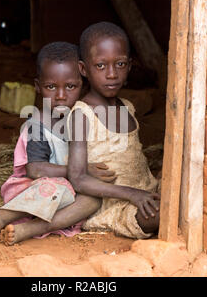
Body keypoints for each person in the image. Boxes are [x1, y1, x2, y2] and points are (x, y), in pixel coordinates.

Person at [0, 41, 115, 245]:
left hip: (67, 193)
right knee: (55, 188)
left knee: (93, 199)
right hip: (33, 191)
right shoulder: (38, 125)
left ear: (83, 86)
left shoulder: (82, 118)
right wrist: (82, 170)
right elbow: (36, 169)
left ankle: (33, 228)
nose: (60, 96)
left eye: (70, 86)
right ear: (37, 87)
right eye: (51, 87)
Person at [67, 22, 160, 239]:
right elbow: (78, 178)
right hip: (113, 206)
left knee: (188, 196)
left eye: (119, 64)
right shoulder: (82, 114)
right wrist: (130, 194)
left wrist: (145, 191)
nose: (111, 74)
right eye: (100, 66)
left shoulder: (127, 107)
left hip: (148, 192)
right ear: (83, 69)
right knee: (166, 214)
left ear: (129, 66)